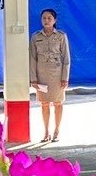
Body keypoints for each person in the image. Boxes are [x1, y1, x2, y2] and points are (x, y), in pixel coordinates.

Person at [29, 9, 71, 144]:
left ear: (55, 20)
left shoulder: (60, 36)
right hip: (42, 75)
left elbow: (66, 58)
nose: (46, 21)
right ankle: (46, 132)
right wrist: (33, 78)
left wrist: (65, 77)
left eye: (49, 18)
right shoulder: (35, 37)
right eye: (44, 18)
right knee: (44, 104)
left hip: (57, 74)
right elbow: (32, 59)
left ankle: (57, 131)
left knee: (58, 103)